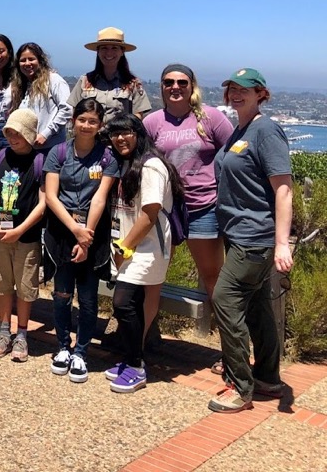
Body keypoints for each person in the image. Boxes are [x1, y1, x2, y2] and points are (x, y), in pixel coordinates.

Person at [208, 69, 293, 413]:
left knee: (225, 299)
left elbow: (283, 190)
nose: (236, 94)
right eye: (232, 88)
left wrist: (282, 243)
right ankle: (268, 377)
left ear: (261, 93)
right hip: (237, 232)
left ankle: (240, 385)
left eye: (245, 89)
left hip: (254, 237)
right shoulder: (239, 130)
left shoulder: (266, 130)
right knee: (257, 306)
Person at [143, 63, 234, 374]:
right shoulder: (153, 121)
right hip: (165, 211)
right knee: (151, 276)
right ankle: (140, 342)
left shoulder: (211, 118)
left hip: (204, 209)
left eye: (182, 81)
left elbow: (235, 153)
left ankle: (232, 353)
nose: (175, 87)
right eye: (169, 82)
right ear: (162, 87)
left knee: (214, 281)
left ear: (192, 85)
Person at [44, 98, 120, 383]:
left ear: (100, 125)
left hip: (93, 233)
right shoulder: (58, 153)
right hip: (62, 231)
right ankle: (63, 347)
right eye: (82, 120)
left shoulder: (107, 158)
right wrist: (74, 230)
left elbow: (101, 196)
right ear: (72, 121)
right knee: (62, 294)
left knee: (88, 299)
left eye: (93, 121)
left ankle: (82, 352)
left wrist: (85, 236)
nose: (86, 126)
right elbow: (51, 195)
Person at [104, 114, 180, 393]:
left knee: (123, 303)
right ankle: (129, 360)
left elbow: (150, 212)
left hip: (147, 246)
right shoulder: (127, 163)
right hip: (129, 244)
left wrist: (126, 246)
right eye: (114, 134)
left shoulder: (151, 166)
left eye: (125, 132)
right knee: (131, 304)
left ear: (138, 133)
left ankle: (136, 367)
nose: (120, 138)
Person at [0, 109, 46, 363]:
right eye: (9, 132)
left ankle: (22, 334)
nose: (12, 137)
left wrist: (20, 229)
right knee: (2, 283)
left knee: (25, 285)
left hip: (27, 235)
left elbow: (44, 202)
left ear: (29, 134)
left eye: (17, 132)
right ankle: (3, 331)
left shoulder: (40, 161)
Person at [68, 27, 150, 125]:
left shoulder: (133, 84)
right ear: (98, 52)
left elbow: (137, 116)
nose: (109, 53)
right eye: (104, 48)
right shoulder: (85, 81)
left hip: (118, 138)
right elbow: (75, 111)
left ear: (122, 52)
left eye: (114, 48)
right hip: (89, 138)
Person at [10, 42, 73, 149]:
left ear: (40, 60)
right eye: (23, 60)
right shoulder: (22, 86)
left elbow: (67, 109)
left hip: (51, 148)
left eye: (31, 59)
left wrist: (46, 134)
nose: (27, 63)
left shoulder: (53, 80)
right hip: (28, 149)